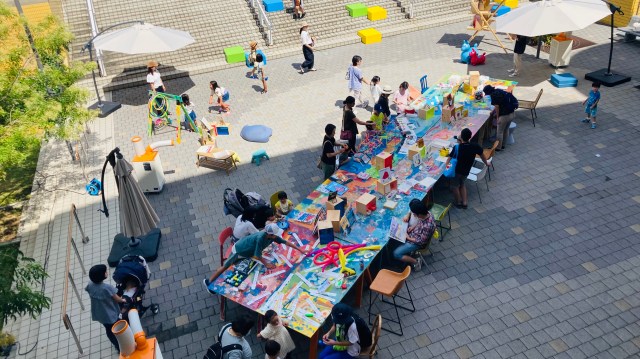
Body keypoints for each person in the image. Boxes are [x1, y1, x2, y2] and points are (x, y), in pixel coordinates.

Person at [204, 223, 308, 288]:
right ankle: (209, 282)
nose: (276, 236)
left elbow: (285, 242)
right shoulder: (260, 238)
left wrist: (299, 249)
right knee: (225, 267)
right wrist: (266, 264)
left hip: (248, 250)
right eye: (275, 234)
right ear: (269, 234)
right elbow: (257, 256)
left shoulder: (272, 236)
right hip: (240, 250)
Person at [86, 264, 127, 353]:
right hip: (110, 313)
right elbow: (117, 299)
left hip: (100, 313)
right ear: (103, 275)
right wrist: (123, 300)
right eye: (105, 271)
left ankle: (117, 346)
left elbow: (87, 289)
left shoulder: (90, 285)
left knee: (108, 329)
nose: (106, 272)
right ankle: (121, 345)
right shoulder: (107, 288)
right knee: (116, 328)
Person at [446, 128, 489, 209]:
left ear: (461, 137)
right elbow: (482, 155)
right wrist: (486, 163)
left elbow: (449, 158)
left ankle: (458, 202)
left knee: (455, 186)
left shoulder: (457, 147)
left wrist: (447, 166)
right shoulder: (475, 146)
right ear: (470, 137)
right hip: (466, 171)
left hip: (457, 171)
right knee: (462, 184)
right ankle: (465, 203)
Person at [394, 199, 437, 271]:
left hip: (416, 243)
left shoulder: (427, 226)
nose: (413, 215)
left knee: (396, 253)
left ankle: (416, 262)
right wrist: (413, 227)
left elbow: (421, 242)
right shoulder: (427, 213)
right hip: (414, 234)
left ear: (419, 214)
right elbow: (420, 221)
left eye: (414, 214)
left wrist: (408, 238)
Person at [483, 85, 516, 151]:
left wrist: (498, 117)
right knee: (506, 129)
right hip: (512, 113)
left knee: (499, 132)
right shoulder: (499, 90)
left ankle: (498, 147)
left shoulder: (493, 95)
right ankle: (503, 145)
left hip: (504, 116)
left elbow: (497, 107)